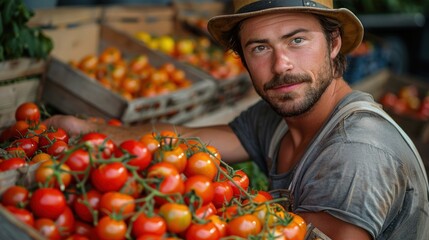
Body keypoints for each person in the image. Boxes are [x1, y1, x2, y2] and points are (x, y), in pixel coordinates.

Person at [44, 0, 429, 239]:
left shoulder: (356, 155)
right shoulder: (280, 116)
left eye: (297, 40)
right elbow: (182, 138)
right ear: (243, 61)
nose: (281, 66)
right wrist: (92, 130)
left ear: (333, 44)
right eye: (260, 48)